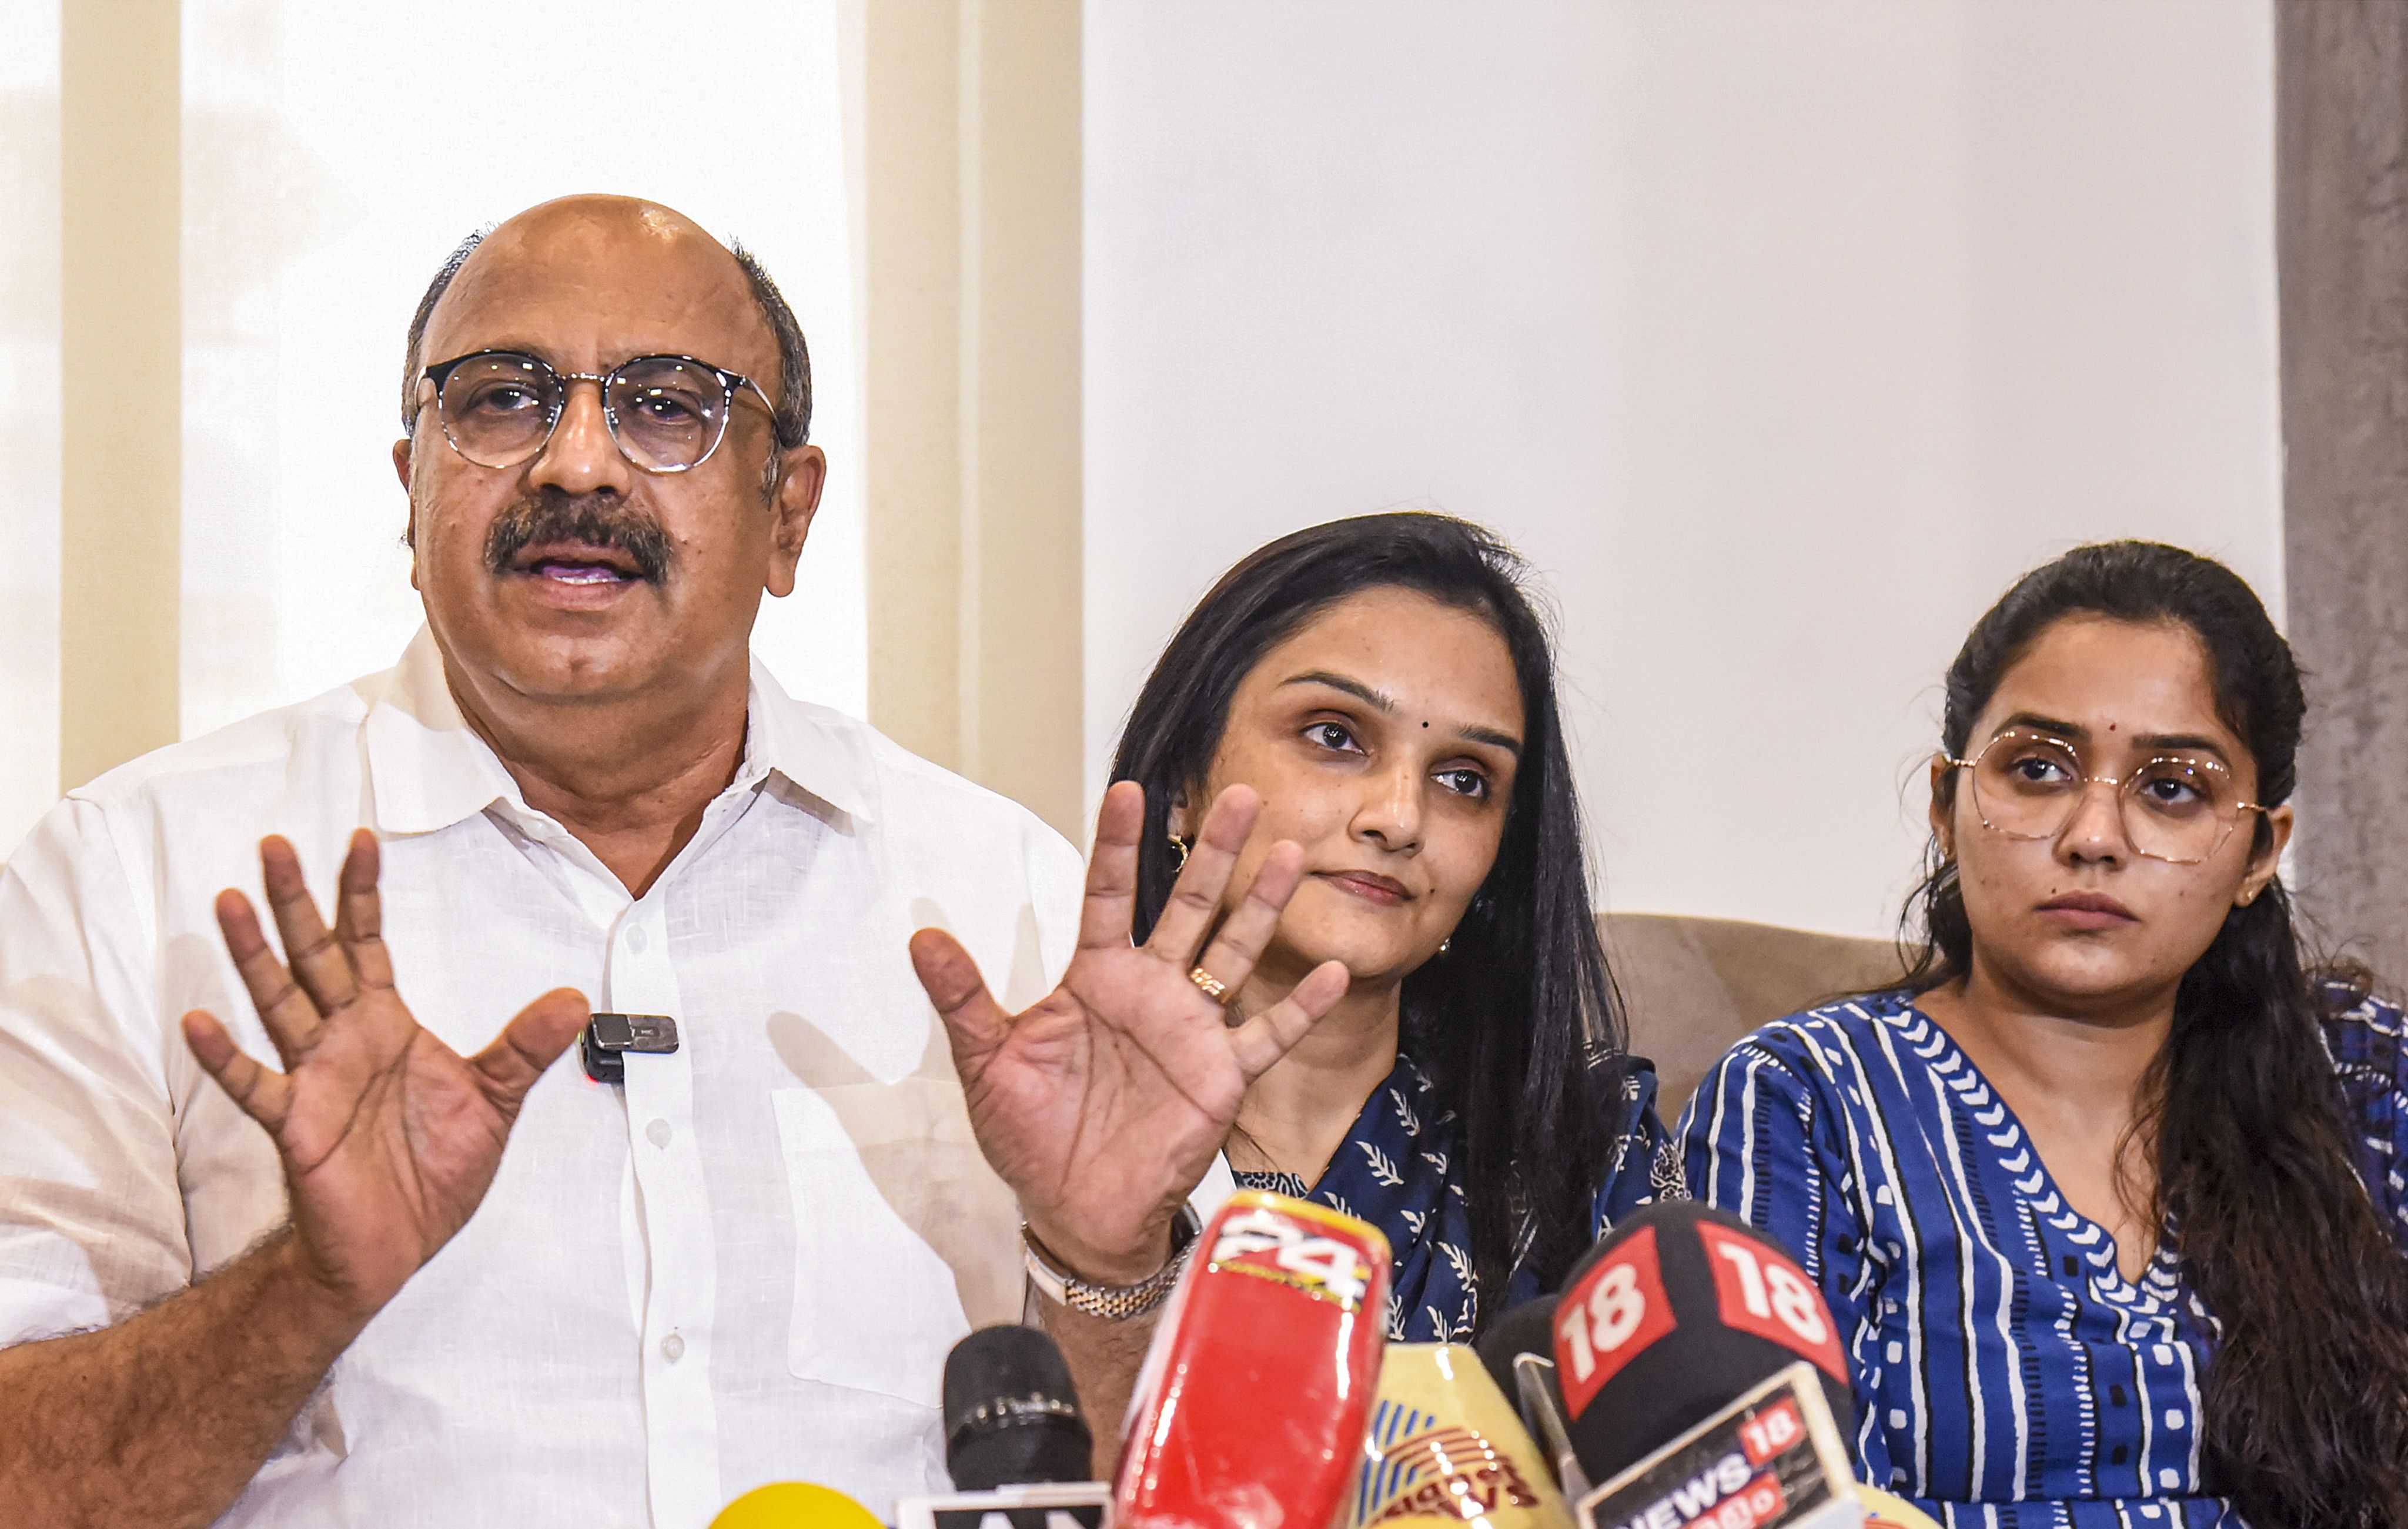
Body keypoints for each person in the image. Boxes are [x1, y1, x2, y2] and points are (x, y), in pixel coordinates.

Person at [0, 195, 1343, 1527]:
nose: (576, 463)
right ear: (411, 487)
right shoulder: (138, 874)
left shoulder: (1004, 896)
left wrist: (1100, 1256)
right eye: (499, 400)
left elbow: (1221, 1496)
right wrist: (304, 1286)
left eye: (666, 405)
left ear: (788, 515)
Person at [914, 514, 1684, 1447]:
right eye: (1335, 734)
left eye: (1466, 779)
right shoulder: (1031, 1119)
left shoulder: (1587, 1153)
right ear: (1186, 781)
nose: (1400, 816)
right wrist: (1101, 1259)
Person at [1680, 541, 2408, 1527]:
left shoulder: (2362, 1079)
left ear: (2258, 851)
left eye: (2173, 788)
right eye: (2037, 769)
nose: (2095, 835)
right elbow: (1749, 1502)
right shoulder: (1807, 1103)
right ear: (1947, 803)